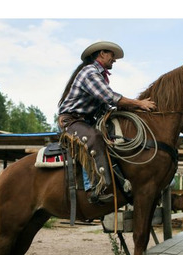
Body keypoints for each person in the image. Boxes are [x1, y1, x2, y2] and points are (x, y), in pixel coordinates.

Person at [57, 41, 156, 203]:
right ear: (101, 54)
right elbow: (110, 97)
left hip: (86, 121)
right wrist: (139, 103)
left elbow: (106, 105)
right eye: (112, 55)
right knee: (94, 138)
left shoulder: (99, 76)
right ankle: (94, 188)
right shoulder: (89, 72)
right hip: (71, 121)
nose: (114, 59)